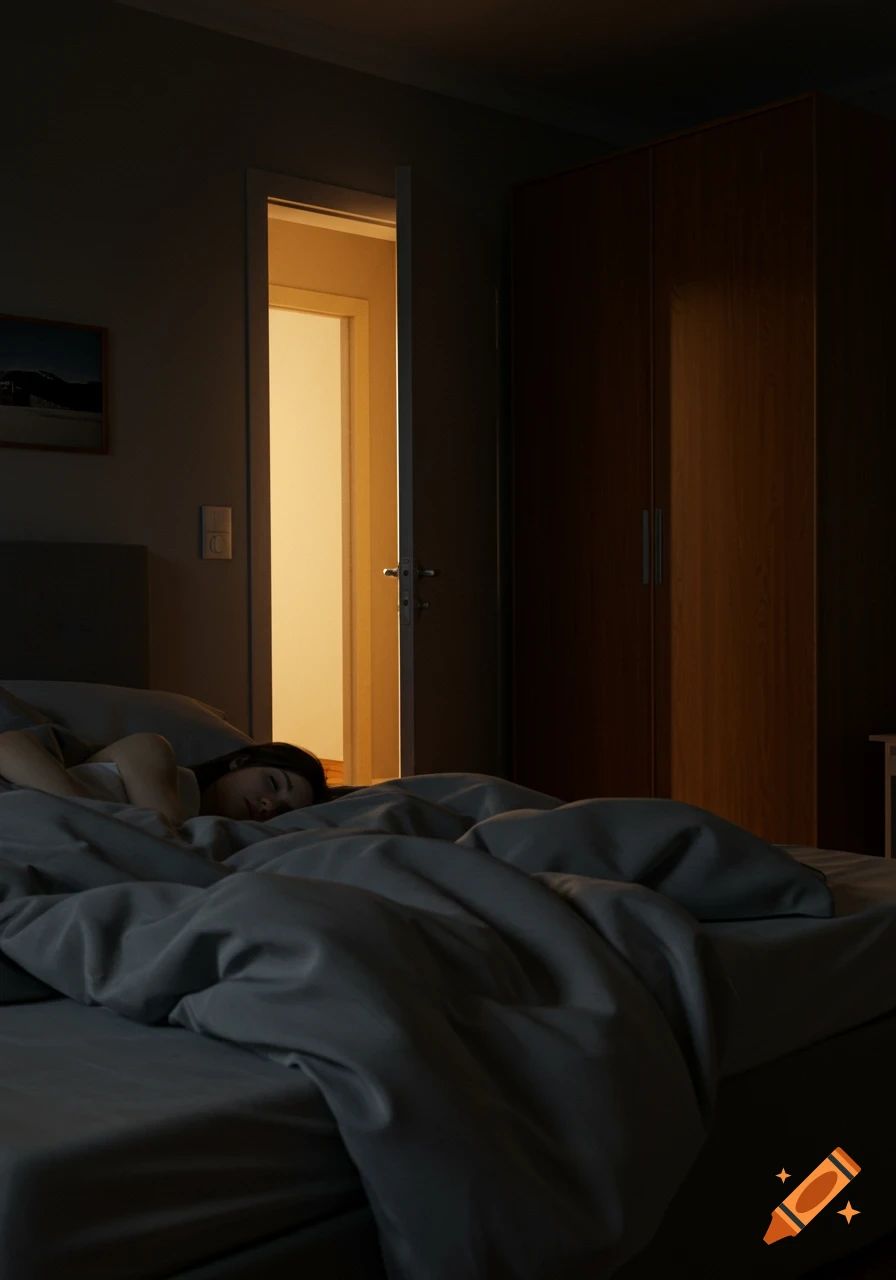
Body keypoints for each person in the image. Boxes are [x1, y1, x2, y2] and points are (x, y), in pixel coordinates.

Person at [0, 730, 329, 827]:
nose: (268, 804)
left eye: (283, 811)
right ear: (240, 763)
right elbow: (10, 744)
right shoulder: (154, 752)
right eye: (272, 784)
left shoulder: (219, 842)